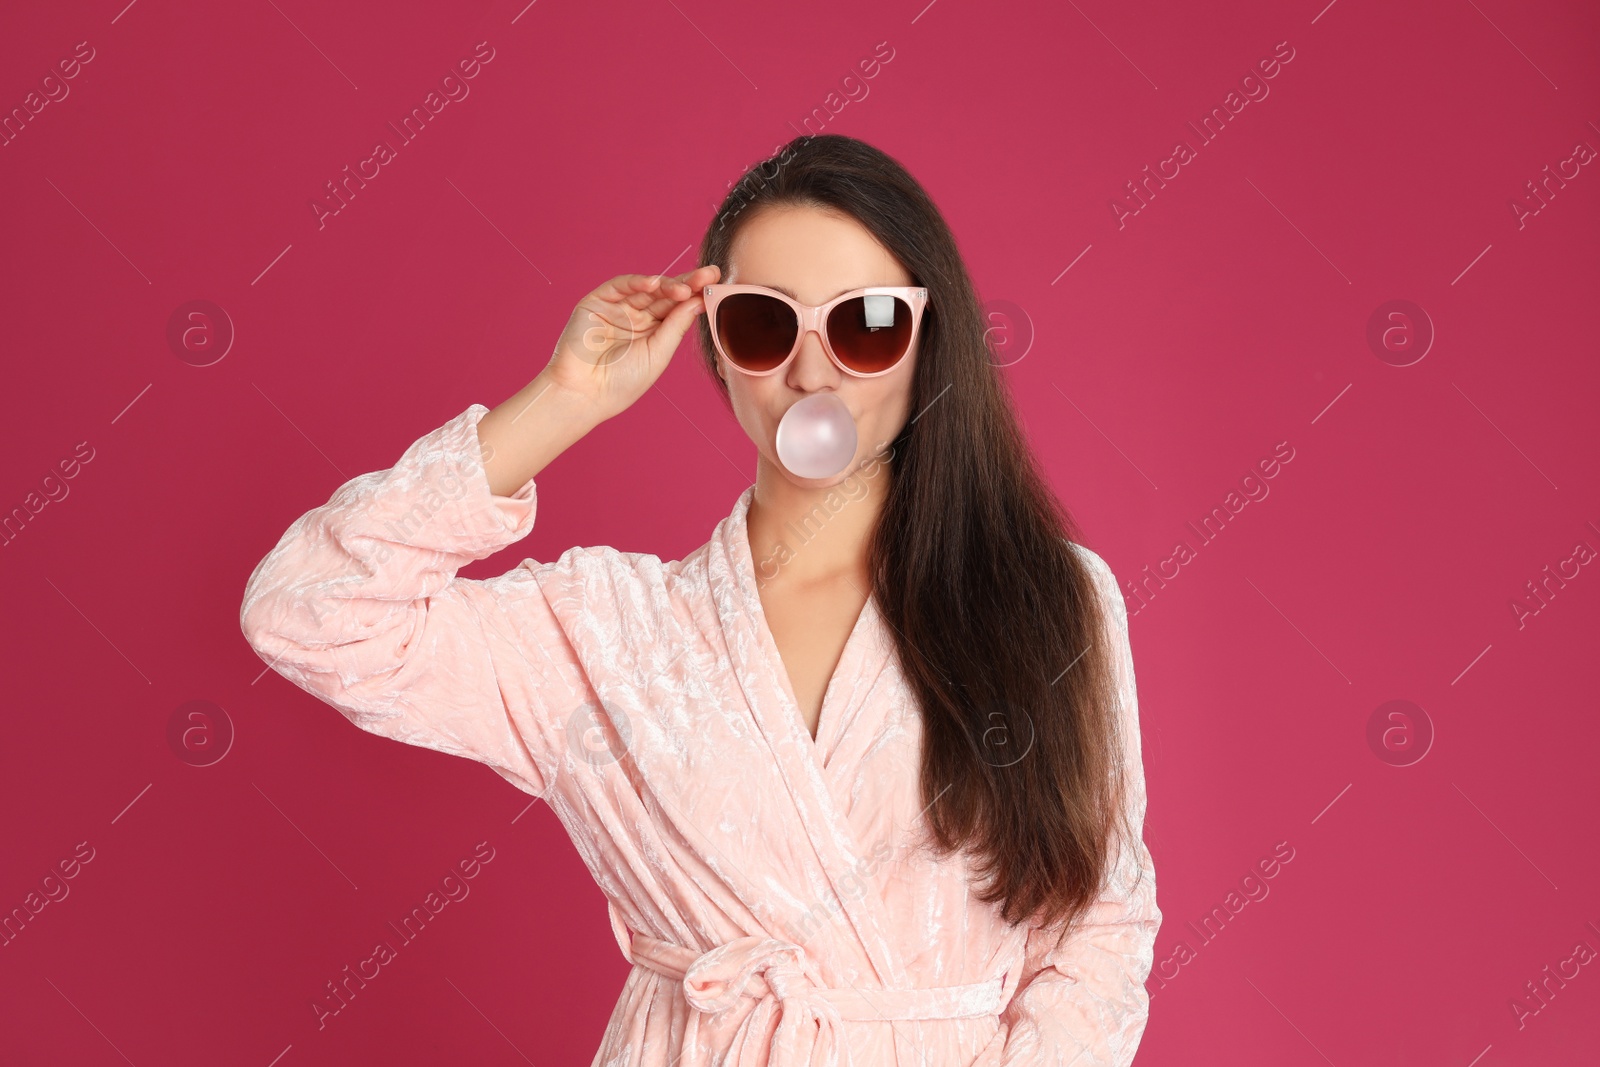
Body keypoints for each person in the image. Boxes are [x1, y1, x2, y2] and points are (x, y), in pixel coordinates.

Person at [240, 133, 1160, 1066]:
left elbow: (1100, 928)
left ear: (929, 340)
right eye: (764, 324)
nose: (812, 373)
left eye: (866, 323)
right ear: (716, 346)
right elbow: (309, 607)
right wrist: (563, 398)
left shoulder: (1051, 599)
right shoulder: (605, 631)